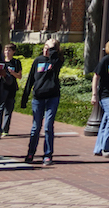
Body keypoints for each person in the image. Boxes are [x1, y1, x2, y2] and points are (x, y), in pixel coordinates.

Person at [21, 38, 64, 166]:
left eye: (49, 48)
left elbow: (56, 64)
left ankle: (48, 154)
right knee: (36, 127)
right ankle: (31, 152)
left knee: (48, 126)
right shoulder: (38, 60)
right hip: (38, 97)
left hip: (52, 97)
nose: (46, 49)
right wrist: (25, 97)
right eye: (45, 46)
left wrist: (52, 52)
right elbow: (30, 79)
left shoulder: (57, 61)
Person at [0, 43, 22, 139]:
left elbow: (19, 76)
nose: (7, 52)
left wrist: (12, 73)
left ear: (13, 52)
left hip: (11, 88)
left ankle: (5, 130)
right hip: (1, 87)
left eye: (9, 50)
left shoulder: (16, 62)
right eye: (6, 50)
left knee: (8, 109)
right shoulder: (1, 62)